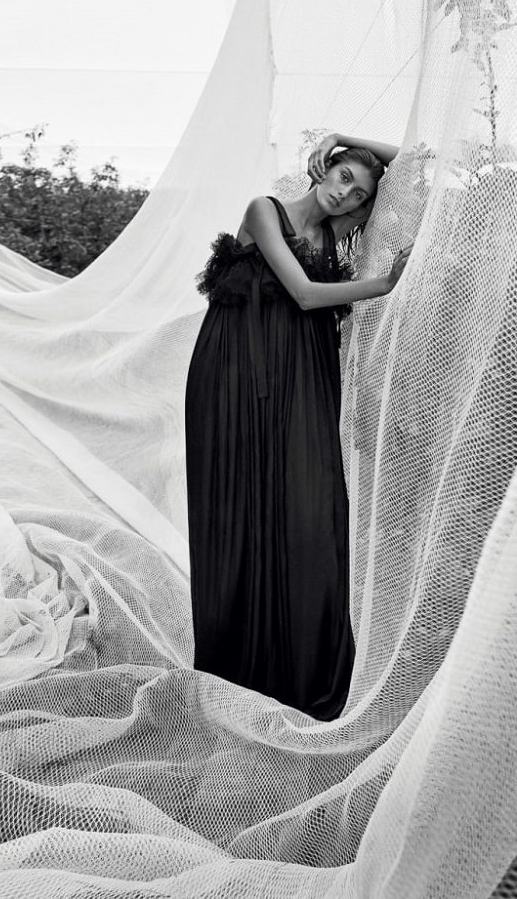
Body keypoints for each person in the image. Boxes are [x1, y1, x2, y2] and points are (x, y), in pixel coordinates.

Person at [185, 131, 407, 720]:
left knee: (309, 510)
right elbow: (307, 296)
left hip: (302, 379)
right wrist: (384, 285)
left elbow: (416, 166)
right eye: (342, 176)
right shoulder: (265, 211)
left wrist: (346, 138)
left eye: (359, 194)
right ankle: (237, 671)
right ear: (322, 170)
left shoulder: (340, 232)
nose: (345, 194)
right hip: (235, 376)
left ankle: (301, 670)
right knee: (240, 509)